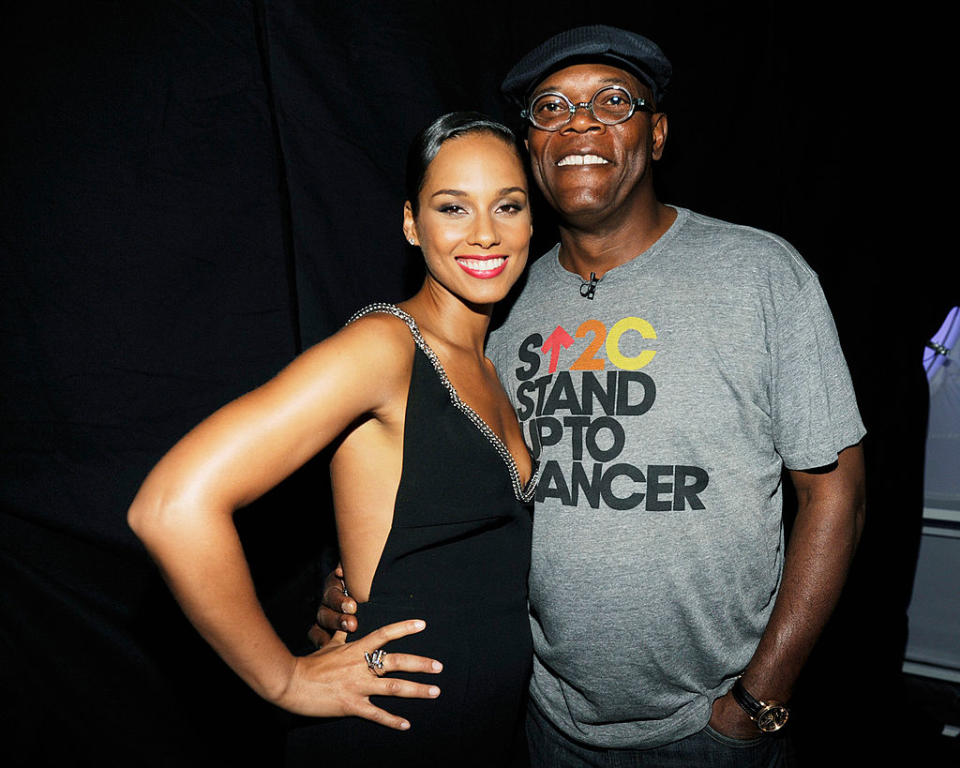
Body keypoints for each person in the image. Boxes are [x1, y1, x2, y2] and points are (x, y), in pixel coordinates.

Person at [318, 25, 867, 767]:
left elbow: (836, 496)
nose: (578, 123)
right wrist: (362, 585)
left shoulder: (760, 274)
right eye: (550, 107)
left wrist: (755, 703)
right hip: (540, 721)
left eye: (612, 102)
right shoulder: (498, 303)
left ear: (659, 133)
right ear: (530, 149)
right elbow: (446, 485)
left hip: (709, 731)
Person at [128, 111, 540, 767]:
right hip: (388, 735)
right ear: (412, 223)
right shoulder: (384, 346)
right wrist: (284, 680)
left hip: (485, 735)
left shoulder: (496, 363)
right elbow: (171, 506)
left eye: (508, 205)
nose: (485, 233)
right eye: (453, 207)